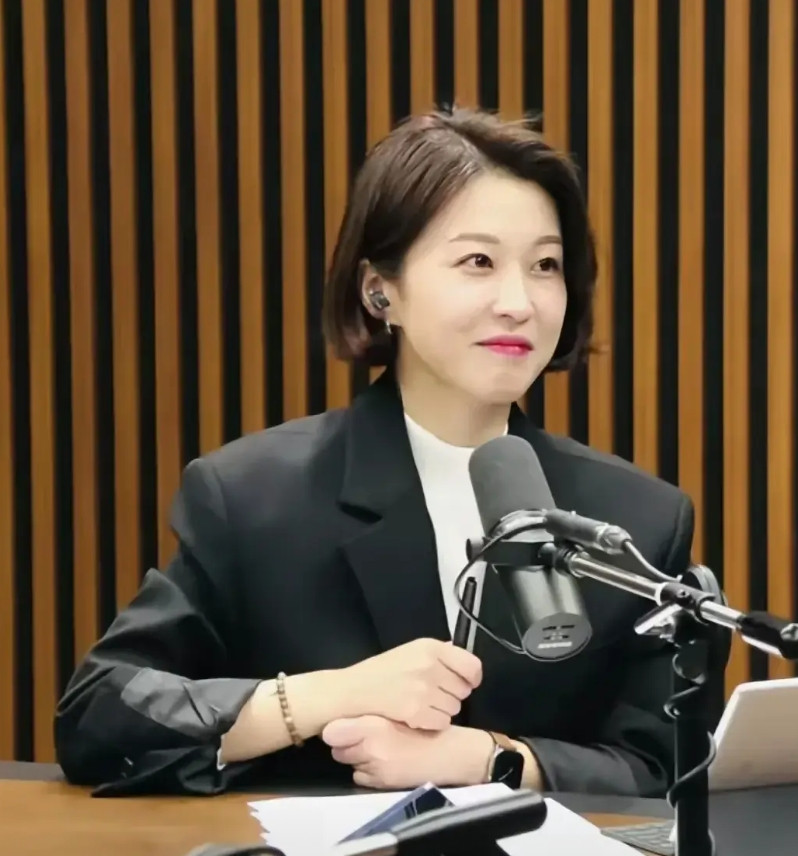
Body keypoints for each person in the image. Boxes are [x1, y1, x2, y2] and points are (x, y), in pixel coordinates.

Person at [55, 107, 695, 798]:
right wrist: (324, 697)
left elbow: (665, 767)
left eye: (545, 265)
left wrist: (493, 759)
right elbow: (100, 716)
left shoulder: (635, 518)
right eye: (478, 262)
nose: (519, 302)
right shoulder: (255, 495)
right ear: (380, 289)